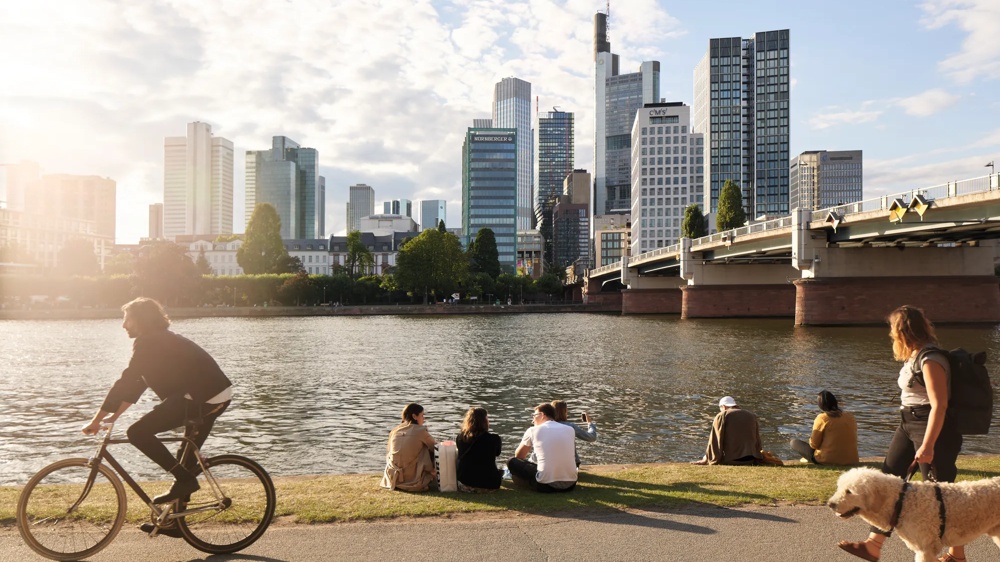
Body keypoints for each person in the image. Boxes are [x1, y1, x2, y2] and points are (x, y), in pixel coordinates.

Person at [81, 297, 232, 537]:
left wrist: (97, 419)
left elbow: (126, 381)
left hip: (205, 397)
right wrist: (113, 416)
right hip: (206, 394)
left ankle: (185, 481)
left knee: (138, 433)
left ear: (141, 320)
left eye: (127, 319)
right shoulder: (156, 341)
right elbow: (136, 384)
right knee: (184, 461)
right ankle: (176, 522)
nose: (123, 325)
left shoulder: (149, 343)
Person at [838, 305, 965, 562]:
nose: (891, 336)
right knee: (889, 480)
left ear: (902, 331)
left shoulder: (930, 359)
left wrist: (928, 444)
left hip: (930, 427)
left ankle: (956, 555)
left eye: (893, 331)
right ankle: (873, 545)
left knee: (941, 494)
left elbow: (939, 405)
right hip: (908, 423)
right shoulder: (914, 356)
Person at [507, 403, 577, 493]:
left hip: (546, 486)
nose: (533, 420)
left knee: (512, 461)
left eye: (534, 415)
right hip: (571, 484)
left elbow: (519, 456)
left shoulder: (532, 430)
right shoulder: (570, 429)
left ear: (542, 415)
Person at [789, 390, 859, 465]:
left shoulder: (822, 418)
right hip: (852, 459)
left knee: (793, 442)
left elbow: (814, 444)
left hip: (827, 460)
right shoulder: (850, 416)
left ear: (820, 405)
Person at [381, 403, 436, 492]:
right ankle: (432, 474)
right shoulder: (420, 431)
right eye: (422, 415)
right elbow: (435, 446)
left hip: (392, 478)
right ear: (414, 416)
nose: (424, 419)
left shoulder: (395, 430)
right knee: (427, 448)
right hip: (412, 479)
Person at [692, 396, 763, 465]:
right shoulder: (751, 415)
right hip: (750, 460)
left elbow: (715, 440)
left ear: (724, 406)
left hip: (731, 460)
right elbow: (757, 439)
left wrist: (708, 458)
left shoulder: (722, 415)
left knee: (707, 456)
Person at [455, 407, 502, 492]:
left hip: (465, 483)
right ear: (485, 421)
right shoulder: (494, 439)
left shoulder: (460, 438)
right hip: (490, 484)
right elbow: (497, 453)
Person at [551, 400, 597, 467]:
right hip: (572, 465)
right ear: (565, 411)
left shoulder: (544, 427)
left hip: (550, 463)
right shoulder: (570, 427)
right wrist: (590, 423)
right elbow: (592, 437)